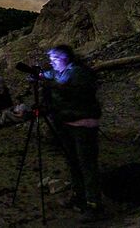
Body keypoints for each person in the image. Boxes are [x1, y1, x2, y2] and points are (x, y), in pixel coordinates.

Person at [40, 44, 104, 223]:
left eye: (54, 59)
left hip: (83, 125)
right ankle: (79, 197)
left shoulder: (78, 73)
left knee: (87, 165)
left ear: (65, 58)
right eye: (50, 60)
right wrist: (38, 75)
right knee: (73, 163)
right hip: (68, 124)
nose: (51, 63)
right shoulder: (62, 72)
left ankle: (94, 205)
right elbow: (51, 75)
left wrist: (49, 83)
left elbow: (71, 91)